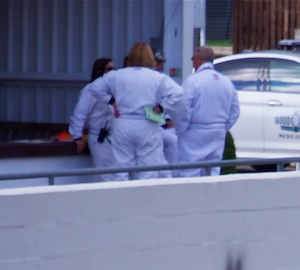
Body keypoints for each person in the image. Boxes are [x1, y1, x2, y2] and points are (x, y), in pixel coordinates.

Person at [94, 42, 183, 179]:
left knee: (121, 169)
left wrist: (111, 101)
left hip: (122, 122)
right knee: (148, 170)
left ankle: (123, 199)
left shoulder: (117, 75)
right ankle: (146, 199)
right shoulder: (156, 77)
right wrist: (162, 107)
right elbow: (178, 93)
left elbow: (94, 88)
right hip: (147, 122)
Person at [174, 45, 239, 176]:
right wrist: (222, 127)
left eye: (193, 59)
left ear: (198, 59)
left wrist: (181, 130)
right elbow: (235, 111)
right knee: (213, 172)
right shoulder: (226, 81)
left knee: (189, 172)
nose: (192, 62)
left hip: (195, 131)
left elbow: (184, 109)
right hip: (217, 132)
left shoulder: (193, 80)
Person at [68, 57, 119, 181]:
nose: (112, 72)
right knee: (107, 176)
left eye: (114, 69)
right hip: (99, 137)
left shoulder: (114, 91)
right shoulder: (90, 91)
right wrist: (77, 137)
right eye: (109, 69)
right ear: (99, 71)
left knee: (119, 174)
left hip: (115, 137)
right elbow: (80, 114)